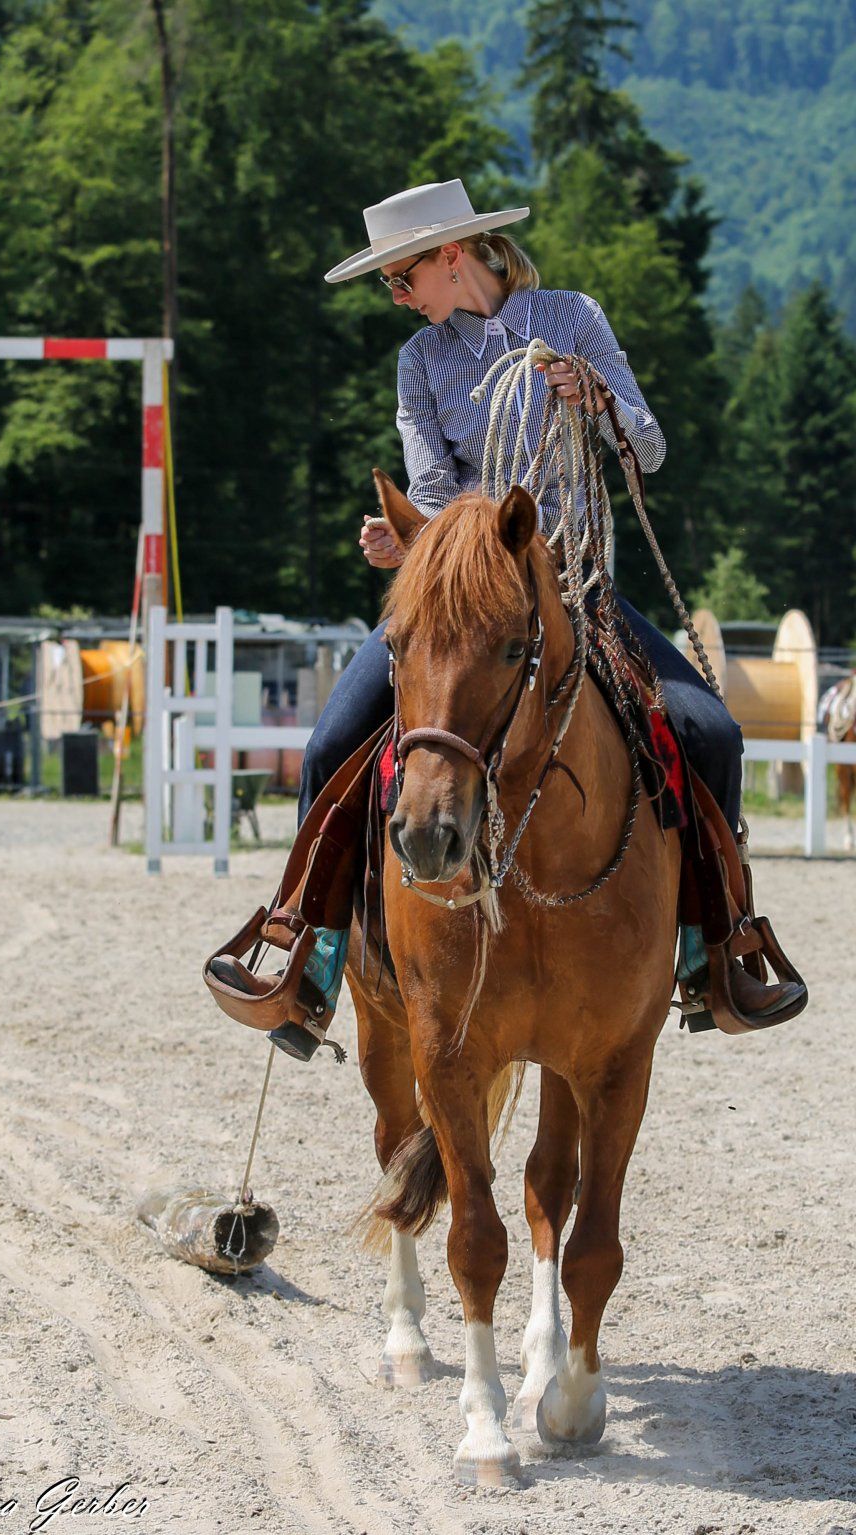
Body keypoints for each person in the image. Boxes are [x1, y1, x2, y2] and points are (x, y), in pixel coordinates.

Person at [211, 179, 803, 1058]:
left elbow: (650, 443)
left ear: (454, 256)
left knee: (710, 730)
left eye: (401, 276)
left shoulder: (572, 318)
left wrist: (596, 398)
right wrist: (411, 539)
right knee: (334, 738)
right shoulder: (420, 362)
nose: (398, 296)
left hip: (579, 586)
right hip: (462, 600)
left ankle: (711, 952)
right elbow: (437, 491)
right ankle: (311, 953)